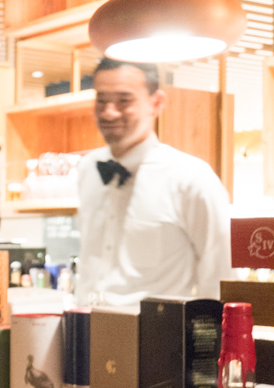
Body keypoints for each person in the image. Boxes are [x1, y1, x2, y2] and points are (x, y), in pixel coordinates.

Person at [75, 57, 232, 307]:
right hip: (84, 325)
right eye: (101, 101)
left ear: (156, 103)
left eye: (124, 101)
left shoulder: (191, 178)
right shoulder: (88, 169)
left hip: (157, 329)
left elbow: (220, 277)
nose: (109, 112)